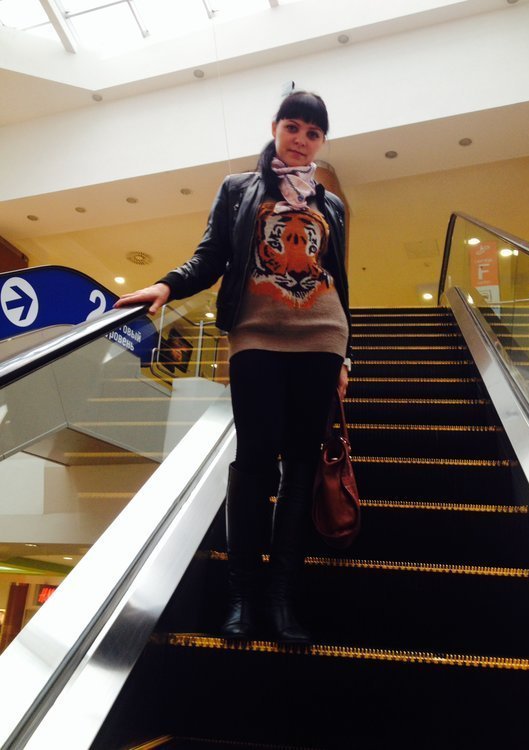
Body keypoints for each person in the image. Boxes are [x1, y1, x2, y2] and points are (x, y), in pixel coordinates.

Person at [115, 91, 353, 644]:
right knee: (254, 463)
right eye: (293, 127)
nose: (301, 139)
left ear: (322, 141)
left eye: (313, 133)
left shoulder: (332, 205)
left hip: (323, 337)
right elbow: (212, 255)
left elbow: (339, 279)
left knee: (301, 466)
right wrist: (167, 285)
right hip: (256, 336)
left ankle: (281, 598)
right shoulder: (239, 189)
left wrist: (346, 355)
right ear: (275, 127)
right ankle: (242, 595)